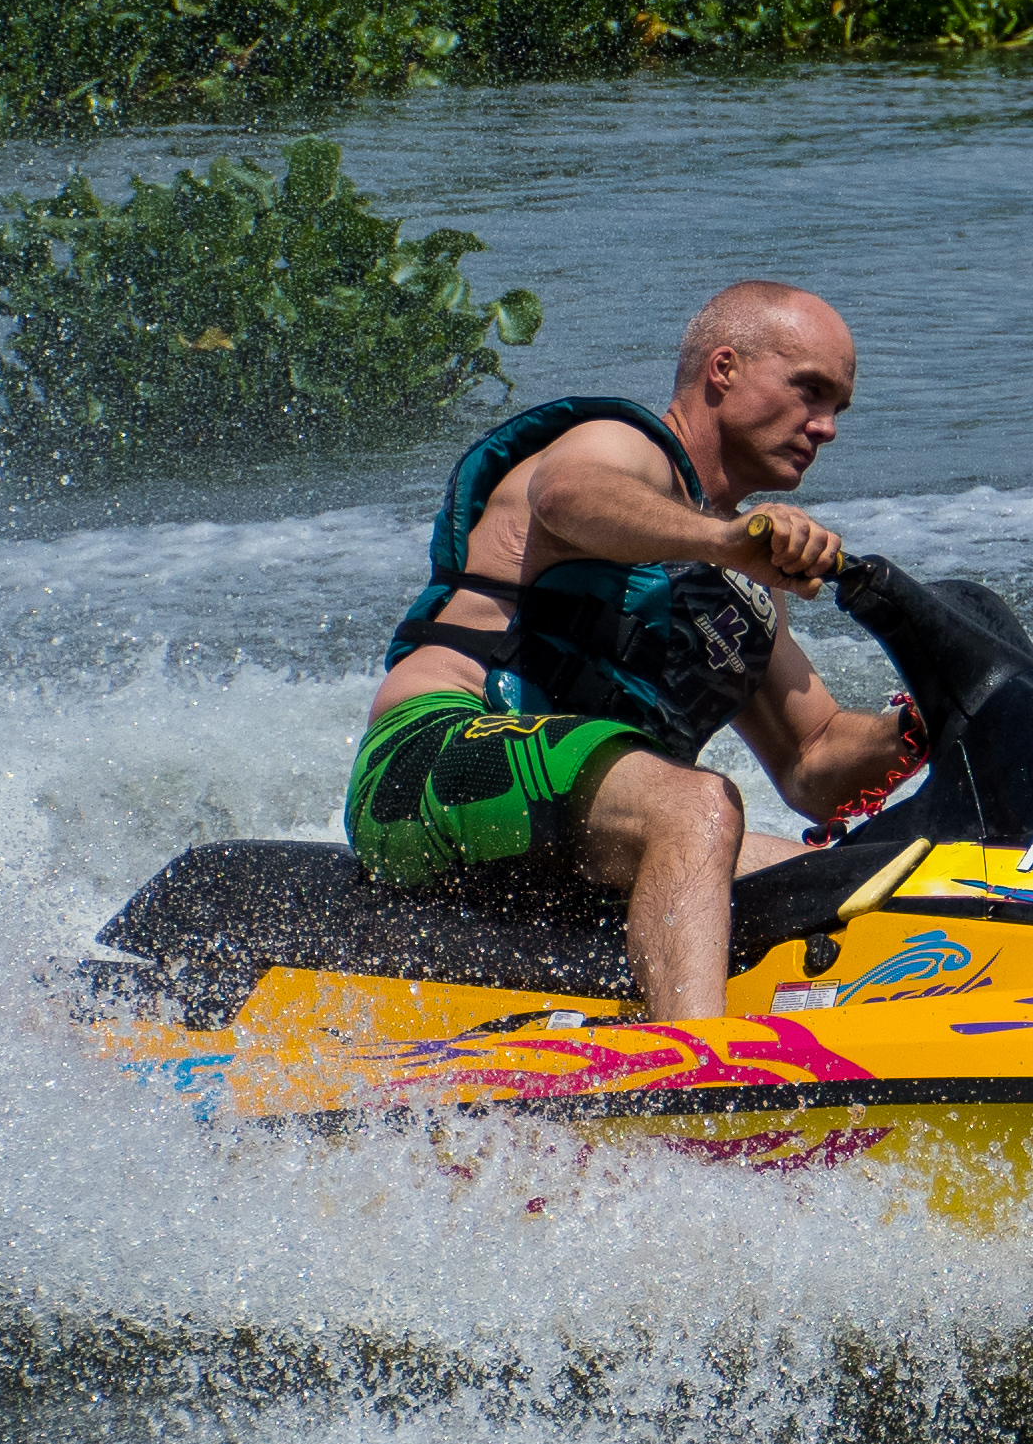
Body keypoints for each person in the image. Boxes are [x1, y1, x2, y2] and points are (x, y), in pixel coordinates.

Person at [348, 280, 919, 1021]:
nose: (827, 427)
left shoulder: (746, 579)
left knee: (854, 882)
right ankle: (697, 1071)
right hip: (431, 761)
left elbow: (814, 762)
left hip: (577, 822)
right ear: (724, 369)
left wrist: (928, 722)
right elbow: (567, 499)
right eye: (810, 391)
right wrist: (726, 541)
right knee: (699, 804)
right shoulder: (621, 447)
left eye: (838, 408)